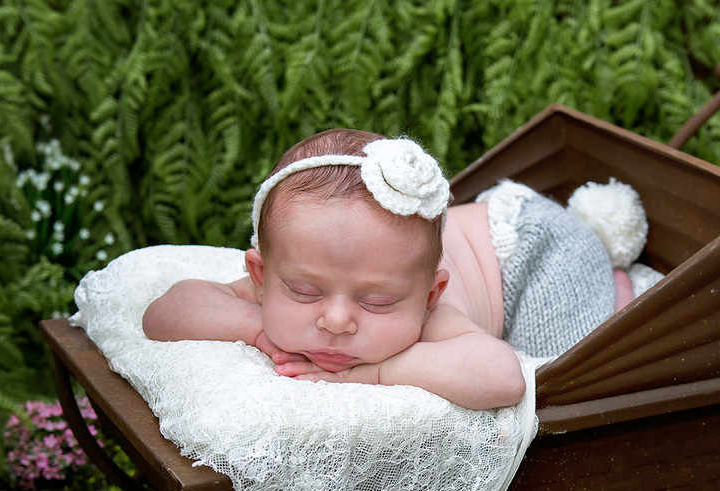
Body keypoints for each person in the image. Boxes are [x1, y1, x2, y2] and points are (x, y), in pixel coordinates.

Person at [141, 128, 638, 410]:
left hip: (531, 249)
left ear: (429, 294)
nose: (336, 320)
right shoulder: (283, 289)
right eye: (304, 292)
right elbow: (165, 312)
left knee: (565, 367)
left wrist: (376, 371)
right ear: (261, 276)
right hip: (469, 231)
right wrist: (259, 331)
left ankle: (613, 285)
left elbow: (503, 377)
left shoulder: (433, 315)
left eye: (377, 301)